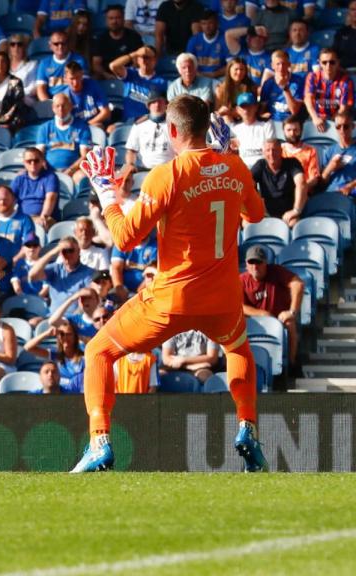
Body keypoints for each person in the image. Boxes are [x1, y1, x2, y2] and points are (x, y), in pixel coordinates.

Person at [72, 95, 266, 473]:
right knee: (239, 348)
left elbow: (125, 238)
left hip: (172, 299)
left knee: (98, 351)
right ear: (209, 127)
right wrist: (230, 160)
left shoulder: (167, 174)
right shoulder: (234, 166)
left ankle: (99, 441)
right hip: (222, 299)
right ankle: (247, 426)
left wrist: (106, 192)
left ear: (173, 131)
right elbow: (256, 214)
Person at [241, 244, 302, 366]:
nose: (255, 266)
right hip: (255, 321)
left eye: (258, 262)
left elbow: (297, 284)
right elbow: (239, 306)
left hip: (279, 318)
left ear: (265, 263)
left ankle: (292, 363)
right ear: (246, 265)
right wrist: (263, 314)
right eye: (251, 262)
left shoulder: (276, 271)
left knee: (289, 322)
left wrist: (292, 311)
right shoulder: (242, 280)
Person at [120, 93, 174, 185]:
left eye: (160, 101)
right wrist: (130, 164)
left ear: (166, 104)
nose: (157, 105)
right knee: (123, 174)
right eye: (153, 102)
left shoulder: (173, 125)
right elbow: (131, 151)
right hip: (143, 169)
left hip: (168, 169)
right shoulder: (139, 125)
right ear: (148, 106)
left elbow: (180, 151)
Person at [250, 139, 306, 226]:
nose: (271, 154)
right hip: (266, 213)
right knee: (247, 223)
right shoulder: (260, 165)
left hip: (288, 214)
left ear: (281, 151)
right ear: (263, 153)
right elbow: (248, 183)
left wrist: (296, 210)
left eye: (274, 150)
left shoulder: (292, 163)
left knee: (294, 223)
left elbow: (301, 183)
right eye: (268, 150)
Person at [38, 93, 91, 181]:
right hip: (49, 171)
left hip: (73, 170)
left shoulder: (82, 127)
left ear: (70, 106)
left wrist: (70, 170)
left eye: (64, 105)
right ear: (53, 108)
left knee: (82, 176)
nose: (61, 109)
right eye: (57, 106)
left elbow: (85, 155)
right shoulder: (45, 128)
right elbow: (39, 154)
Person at [108, 45, 167, 124]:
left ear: (155, 60)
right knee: (111, 130)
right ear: (137, 60)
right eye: (141, 57)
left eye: (148, 57)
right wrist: (135, 54)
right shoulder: (130, 74)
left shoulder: (161, 82)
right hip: (127, 121)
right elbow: (113, 66)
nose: (144, 60)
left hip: (147, 122)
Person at [25, 318, 86, 392]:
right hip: (57, 393)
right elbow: (28, 347)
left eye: (69, 334)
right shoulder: (55, 355)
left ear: (75, 336)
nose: (65, 337)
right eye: (62, 334)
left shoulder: (83, 357)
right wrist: (47, 333)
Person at [304, 48, 353, 133]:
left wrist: (329, 121)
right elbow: (308, 100)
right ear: (319, 63)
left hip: (337, 119)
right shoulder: (313, 77)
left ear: (338, 63)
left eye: (332, 62)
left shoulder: (346, 81)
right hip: (315, 118)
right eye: (324, 62)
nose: (328, 66)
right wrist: (315, 118)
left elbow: (344, 108)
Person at [10, 147, 60, 230]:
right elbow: (10, 199)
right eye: (29, 161)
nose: (32, 163)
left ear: (42, 161)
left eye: (36, 160)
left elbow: (51, 198)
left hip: (45, 218)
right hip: (24, 217)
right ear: (24, 163)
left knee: (42, 224)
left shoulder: (50, 177)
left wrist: (43, 217)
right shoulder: (19, 179)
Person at [54, 60, 110, 127]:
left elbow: (106, 112)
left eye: (77, 78)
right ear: (65, 79)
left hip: (95, 124)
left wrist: (87, 125)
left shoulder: (92, 85)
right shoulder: (64, 97)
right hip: (77, 130)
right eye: (71, 79)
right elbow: (64, 122)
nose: (75, 83)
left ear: (82, 75)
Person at [92, 5, 143, 80]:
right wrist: (106, 75)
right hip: (106, 77)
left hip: (129, 76)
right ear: (106, 20)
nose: (114, 21)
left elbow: (137, 62)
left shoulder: (133, 37)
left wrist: (125, 75)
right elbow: (96, 63)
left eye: (117, 18)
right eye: (111, 18)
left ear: (123, 19)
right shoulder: (100, 39)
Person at [35, 31, 87, 102]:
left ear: (68, 44)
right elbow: (40, 89)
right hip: (53, 103)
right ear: (50, 46)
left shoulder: (79, 61)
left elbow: (84, 84)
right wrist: (49, 105)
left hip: (74, 102)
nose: (60, 46)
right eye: (56, 44)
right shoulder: (44, 63)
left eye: (63, 43)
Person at [230, 92, 275, 167]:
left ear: (256, 107)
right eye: (243, 107)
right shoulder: (234, 129)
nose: (246, 110)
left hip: (263, 167)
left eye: (249, 106)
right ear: (237, 109)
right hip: (243, 167)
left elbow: (271, 149)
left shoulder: (267, 125)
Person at [260, 51, 304, 124]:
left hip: (291, 123)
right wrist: (262, 115)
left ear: (289, 64)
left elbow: (294, 110)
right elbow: (262, 108)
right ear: (272, 65)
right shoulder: (268, 83)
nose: (281, 67)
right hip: (273, 123)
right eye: (278, 64)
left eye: (284, 64)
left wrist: (285, 88)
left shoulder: (298, 82)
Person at [280, 115, 321, 190]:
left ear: (301, 130)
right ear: (283, 131)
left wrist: (301, 189)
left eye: (296, 130)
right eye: (288, 130)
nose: (292, 133)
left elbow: (314, 179)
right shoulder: (278, 150)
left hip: (304, 191)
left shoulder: (310, 150)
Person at [186, 9, 230, 78]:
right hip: (198, 77)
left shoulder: (225, 39)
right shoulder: (194, 40)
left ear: (217, 23)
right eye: (204, 23)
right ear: (200, 24)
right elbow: (188, 63)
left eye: (210, 23)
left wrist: (213, 75)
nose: (207, 27)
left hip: (220, 77)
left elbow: (230, 65)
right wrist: (199, 75)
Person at [322, 111, 356, 194]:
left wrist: (349, 186)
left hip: (351, 193)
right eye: (338, 126)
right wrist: (330, 168)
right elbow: (322, 182)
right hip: (331, 193)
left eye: (346, 126)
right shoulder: (329, 150)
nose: (342, 130)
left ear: (353, 127)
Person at [216, 57, 257, 123]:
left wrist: (232, 112)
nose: (239, 72)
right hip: (227, 120)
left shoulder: (251, 87)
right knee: (226, 117)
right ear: (229, 70)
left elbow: (253, 109)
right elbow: (217, 111)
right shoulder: (220, 89)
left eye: (242, 69)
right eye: (236, 69)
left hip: (246, 118)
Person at [334, 0, 356, 69]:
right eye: (353, 9)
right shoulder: (341, 32)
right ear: (349, 13)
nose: (355, 12)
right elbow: (335, 54)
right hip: (344, 72)